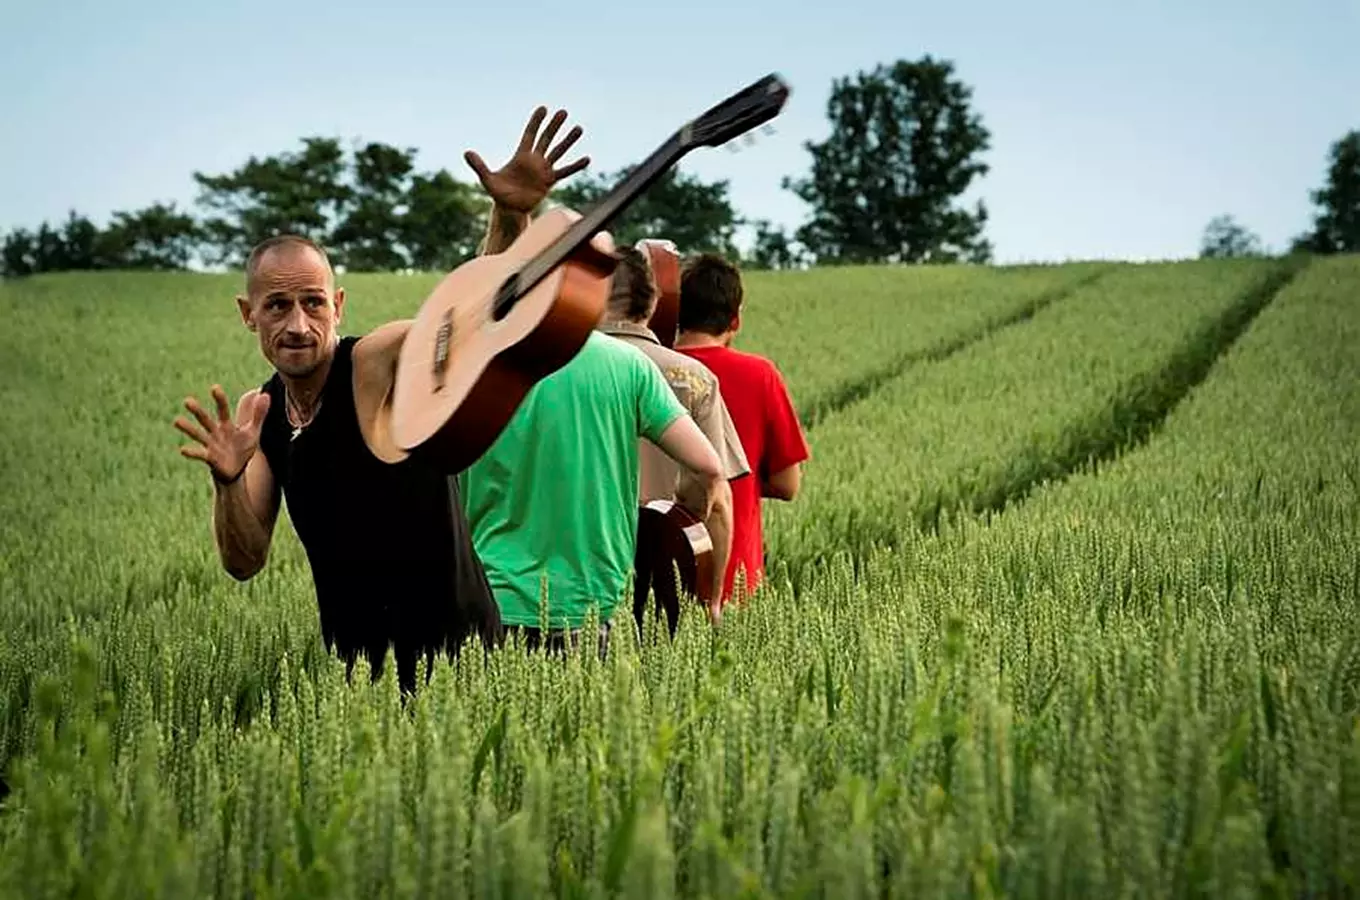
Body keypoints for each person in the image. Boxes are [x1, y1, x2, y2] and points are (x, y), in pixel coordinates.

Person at [171, 106, 591, 692]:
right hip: (361, 682)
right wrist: (226, 482)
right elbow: (244, 561)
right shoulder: (259, 417)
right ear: (249, 315)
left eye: (313, 303)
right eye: (277, 306)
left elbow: (473, 318)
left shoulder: (378, 362)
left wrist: (510, 214)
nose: (298, 324)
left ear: (337, 305)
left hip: (463, 661)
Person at [456, 219, 731, 653]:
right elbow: (708, 466)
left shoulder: (476, 360)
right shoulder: (627, 366)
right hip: (593, 605)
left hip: (488, 599)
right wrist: (678, 518)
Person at [597, 244, 748, 617]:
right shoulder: (694, 379)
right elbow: (713, 496)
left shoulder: (557, 371)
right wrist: (711, 599)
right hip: (669, 566)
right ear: (653, 306)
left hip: (582, 573)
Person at [673, 252, 810, 602]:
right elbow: (787, 484)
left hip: (650, 566)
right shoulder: (760, 376)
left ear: (675, 312)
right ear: (735, 321)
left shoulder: (642, 368)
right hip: (733, 576)